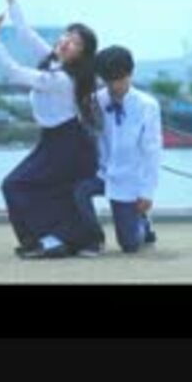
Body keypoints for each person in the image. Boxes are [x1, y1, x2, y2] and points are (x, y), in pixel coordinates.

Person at [0, 0, 100, 259]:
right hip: (54, 141)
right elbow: (26, 34)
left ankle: (52, 240)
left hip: (69, 144)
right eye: (67, 36)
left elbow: (15, 73)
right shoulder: (52, 59)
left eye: (75, 43)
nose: (66, 42)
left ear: (81, 55)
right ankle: (59, 239)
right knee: (31, 188)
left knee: (16, 184)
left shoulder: (62, 79)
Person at [71, 45, 162, 256]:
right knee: (79, 191)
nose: (114, 86)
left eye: (119, 79)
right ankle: (94, 239)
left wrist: (146, 193)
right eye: (108, 80)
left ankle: (143, 224)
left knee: (129, 245)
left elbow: (152, 151)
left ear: (130, 74)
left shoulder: (147, 106)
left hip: (129, 179)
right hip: (103, 174)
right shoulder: (96, 100)